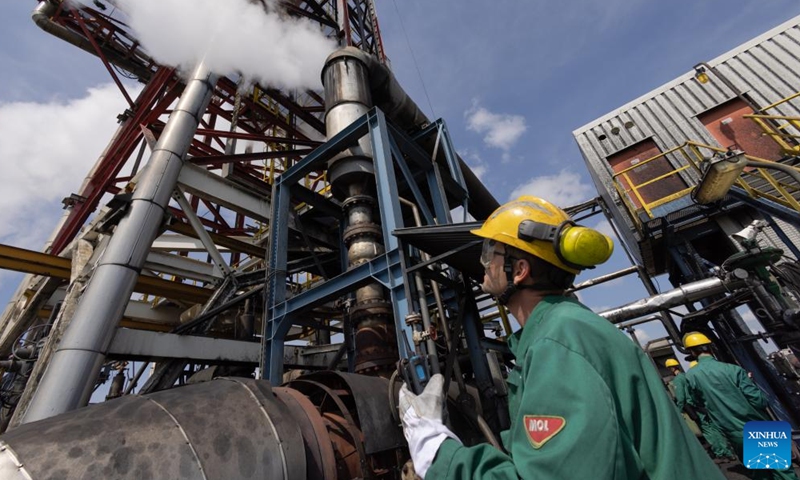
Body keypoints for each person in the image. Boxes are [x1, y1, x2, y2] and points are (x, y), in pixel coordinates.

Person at [399, 196, 724, 479]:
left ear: (519, 270)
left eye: (490, 253)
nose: (483, 263)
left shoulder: (559, 341)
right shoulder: (566, 328)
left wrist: (435, 450)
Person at [683, 332, 799, 480]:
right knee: (783, 472)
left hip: (733, 432)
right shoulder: (733, 370)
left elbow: (696, 403)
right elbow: (759, 401)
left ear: (692, 352)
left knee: (760, 474)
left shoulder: (690, 376)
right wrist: (750, 383)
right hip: (759, 426)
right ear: (710, 347)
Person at [666, 358, 735, 461]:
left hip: (693, 408)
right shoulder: (687, 376)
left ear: (671, 368)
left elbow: (680, 397)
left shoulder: (678, 380)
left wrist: (680, 410)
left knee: (707, 431)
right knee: (713, 429)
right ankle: (727, 451)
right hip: (702, 407)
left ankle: (721, 453)